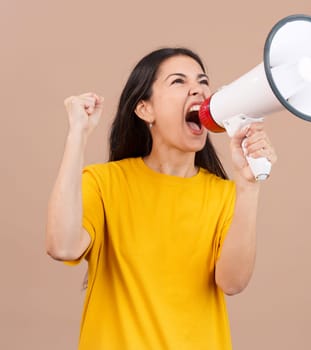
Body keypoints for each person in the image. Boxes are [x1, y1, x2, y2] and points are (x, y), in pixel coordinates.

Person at [45, 47, 277, 349]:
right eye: (178, 81)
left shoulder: (225, 194)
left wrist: (248, 186)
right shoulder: (104, 184)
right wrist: (77, 134)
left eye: (202, 80)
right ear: (145, 110)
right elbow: (61, 246)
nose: (198, 88)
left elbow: (233, 283)